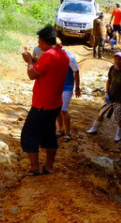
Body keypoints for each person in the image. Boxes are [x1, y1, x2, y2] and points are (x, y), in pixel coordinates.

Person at [21, 26, 70, 176]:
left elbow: (32, 75)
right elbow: (47, 67)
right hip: (55, 103)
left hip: (42, 104)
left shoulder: (48, 56)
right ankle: (49, 167)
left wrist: (29, 60)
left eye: (39, 41)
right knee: (49, 134)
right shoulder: (63, 54)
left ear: (42, 41)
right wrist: (35, 60)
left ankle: (35, 168)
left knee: (28, 134)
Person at [86, 51, 121, 142]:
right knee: (101, 113)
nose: (117, 60)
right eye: (116, 58)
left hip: (120, 98)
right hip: (111, 96)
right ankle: (94, 129)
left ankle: (118, 136)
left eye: (119, 59)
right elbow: (109, 80)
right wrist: (107, 92)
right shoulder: (112, 68)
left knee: (120, 118)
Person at [56, 50, 81, 141]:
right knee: (57, 109)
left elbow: (76, 71)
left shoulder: (69, 58)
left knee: (63, 109)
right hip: (57, 86)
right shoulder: (52, 55)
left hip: (67, 87)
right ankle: (60, 130)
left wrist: (77, 88)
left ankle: (67, 133)